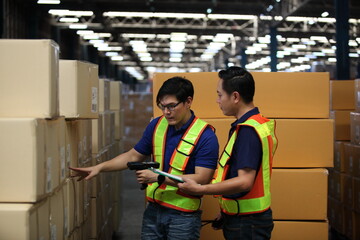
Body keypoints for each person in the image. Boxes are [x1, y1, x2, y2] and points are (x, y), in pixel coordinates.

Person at [70, 76, 219, 240]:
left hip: (183, 217)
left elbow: (202, 179)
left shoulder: (205, 136)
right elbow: (133, 155)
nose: (166, 112)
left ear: (188, 101)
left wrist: (158, 178)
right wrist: (98, 168)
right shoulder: (157, 125)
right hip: (153, 210)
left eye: (171, 106)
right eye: (162, 107)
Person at [178, 66, 278, 240]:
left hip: (247, 224)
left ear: (235, 97)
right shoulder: (257, 123)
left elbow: (244, 182)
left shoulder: (248, 131)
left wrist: (201, 188)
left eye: (219, 95)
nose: (218, 100)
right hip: (245, 218)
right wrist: (227, 210)